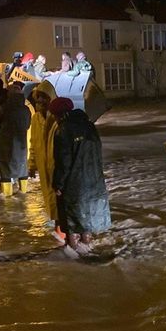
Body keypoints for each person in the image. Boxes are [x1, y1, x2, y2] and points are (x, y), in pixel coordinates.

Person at [51, 97, 111, 257]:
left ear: (58, 114)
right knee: (87, 222)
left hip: (74, 184)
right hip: (95, 181)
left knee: (71, 222)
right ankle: (87, 249)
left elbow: (63, 161)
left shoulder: (63, 130)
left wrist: (58, 184)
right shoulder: (89, 126)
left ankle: (73, 254)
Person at [28, 80, 66, 245]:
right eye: (38, 98)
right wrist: (32, 165)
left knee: (61, 204)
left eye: (44, 97)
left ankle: (64, 239)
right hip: (44, 169)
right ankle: (60, 238)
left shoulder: (58, 118)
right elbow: (33, 144)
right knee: (51, 203)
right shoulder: (35, 119)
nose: (40, 102)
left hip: (58, 168)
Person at [0, 82, 31, 195]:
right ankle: (23, 193)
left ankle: (7, 199)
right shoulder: (26, 109)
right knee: (23, 166)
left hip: (5, 143)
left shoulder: (3, 108)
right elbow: (28, 125)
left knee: (5, 169)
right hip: (22, 144)